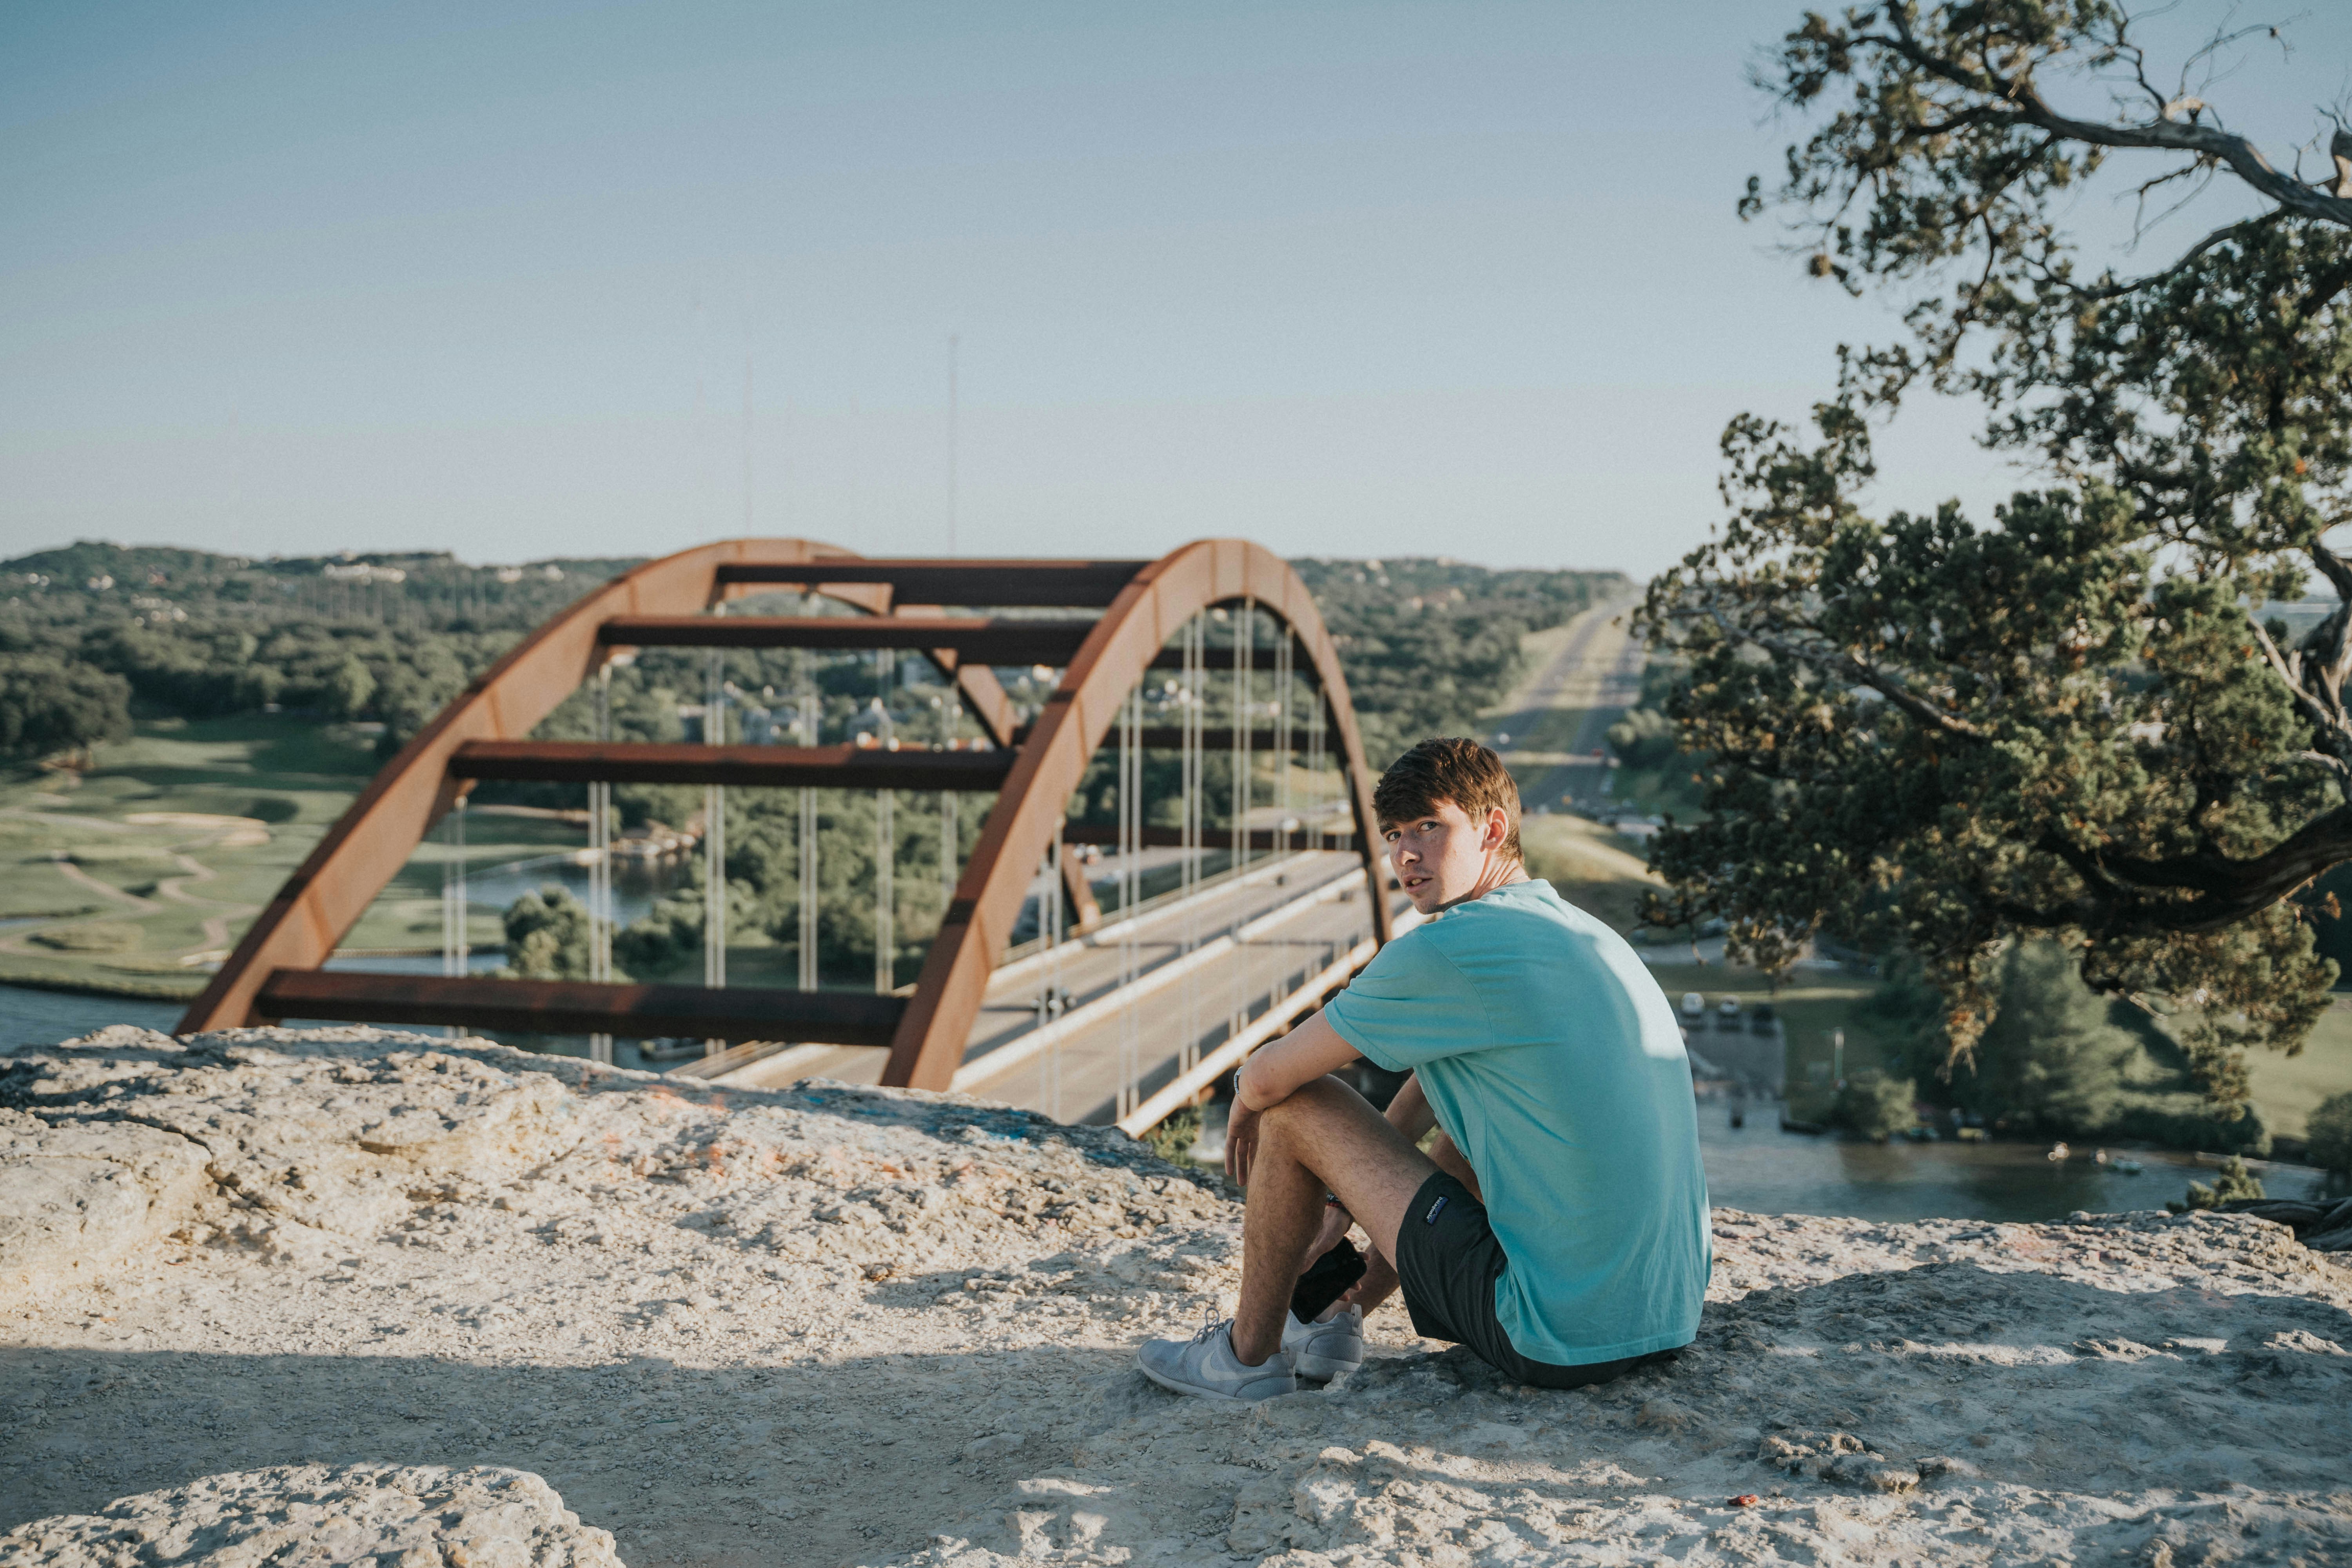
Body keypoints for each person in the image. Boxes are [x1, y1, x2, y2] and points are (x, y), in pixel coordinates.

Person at [1137, 737, 1710, 1400]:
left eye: (1430, 827)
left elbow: (1272, 1079)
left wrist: (1244, 1097)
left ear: (1493, 829)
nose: (1406, 854)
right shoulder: (1583, 933)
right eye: (1393, 834)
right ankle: (1332, 1316)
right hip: (1664, 1321)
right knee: (1479, 1116)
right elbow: (1448, 1078)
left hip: (1556, 1339)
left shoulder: (1448, 948)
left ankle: (1243, 1360)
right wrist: (1350, 1187)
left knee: (1298, 1108)